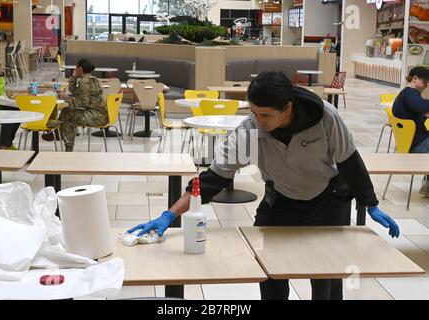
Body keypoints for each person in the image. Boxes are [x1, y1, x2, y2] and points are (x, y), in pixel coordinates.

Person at [129, 71, 400, 300]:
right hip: (281, 201)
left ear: (288, 108)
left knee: (326, 275)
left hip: (328, 200)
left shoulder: (325, 117)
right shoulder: (249, 130)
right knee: (270, 268)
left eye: (266, 115)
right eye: (254, 113)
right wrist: (169, 214)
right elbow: (213, 180)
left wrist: (371, 203)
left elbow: (349, 161)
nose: (259, 121)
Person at [44, 58, 108, 152]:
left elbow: (83, 104)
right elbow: (74, 91)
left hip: (96, 116)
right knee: (66, 111)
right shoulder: (92, 79)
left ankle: (66, 143)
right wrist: (73, 77)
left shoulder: (84, 82)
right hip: (101, 114)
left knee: (68, 120)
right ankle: (59, 132)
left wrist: (65, 97)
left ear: (80, 69)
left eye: (76, 68)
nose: (75, 70)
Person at [392, 66, 429, 197]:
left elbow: (416, 109)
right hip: (417, 144)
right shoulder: (411, 93)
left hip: (409, 142)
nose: (426, 86)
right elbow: (420, 106)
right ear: (414, 79)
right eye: (425, 82)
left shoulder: (405, 94)